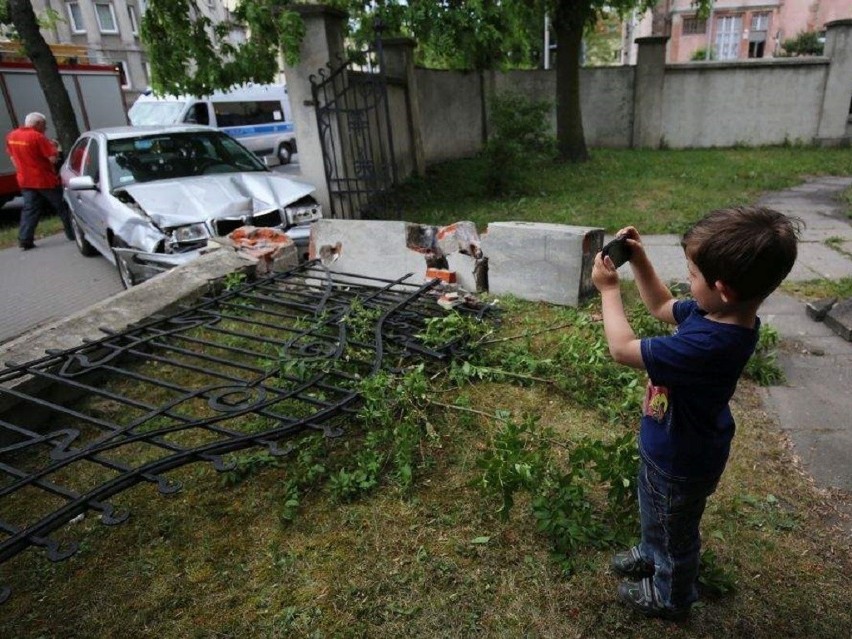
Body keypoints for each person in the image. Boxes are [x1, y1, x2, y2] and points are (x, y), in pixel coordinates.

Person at [591, 207, 801, 621]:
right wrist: (639, 260)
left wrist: (609, 291)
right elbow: (661, 305)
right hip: (671, 444)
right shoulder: (718, 314)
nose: (688, 283)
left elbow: (621, 349)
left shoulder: (709, 344)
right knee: (658, 513)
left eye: (691, 275)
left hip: (680, 459)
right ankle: (652, 550)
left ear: (721, 288)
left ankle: (671, 595)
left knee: (676, 532)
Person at [5, 112, 74, 250]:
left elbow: (12, 157)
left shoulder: (12, 136)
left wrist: (22, 169)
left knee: (30, 209)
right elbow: (52, 159)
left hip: (25, 180)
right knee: (62, 206)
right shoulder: (37, 137)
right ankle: (73, 234)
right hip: (44, 180)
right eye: (44, 124)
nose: (45, 128)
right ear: (37, 124)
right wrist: (53, 146)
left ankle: (25, 239)